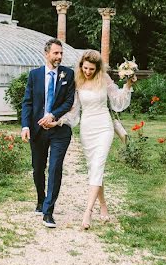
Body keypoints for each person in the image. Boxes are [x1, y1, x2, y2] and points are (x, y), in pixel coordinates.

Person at [54, 49, 133, 230]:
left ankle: (87, 211)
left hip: (104, 127)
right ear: (81, 66)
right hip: (87, 128)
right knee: (94, 170)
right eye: (85, 68)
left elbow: (118, 100)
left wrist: (127, 85)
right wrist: (60, 120)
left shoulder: (104, 79)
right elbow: (74, 109)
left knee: (98, 166)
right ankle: (103, 205)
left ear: (98, 68)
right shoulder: (78, 81)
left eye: (91, 69)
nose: (88, 72)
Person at [21, 38, 76, 228]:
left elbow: (69, 102)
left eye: (61, 53)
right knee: (38, 168)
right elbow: (27, 102)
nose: (59, 56)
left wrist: (53, 115)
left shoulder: (68, 74)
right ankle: (40, 199)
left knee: (55, 168)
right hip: (37, 130)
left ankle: (48, 211)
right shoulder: (34, 75)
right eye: (56, 53)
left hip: (60, 130)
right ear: (46, 54)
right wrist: (25, 126)